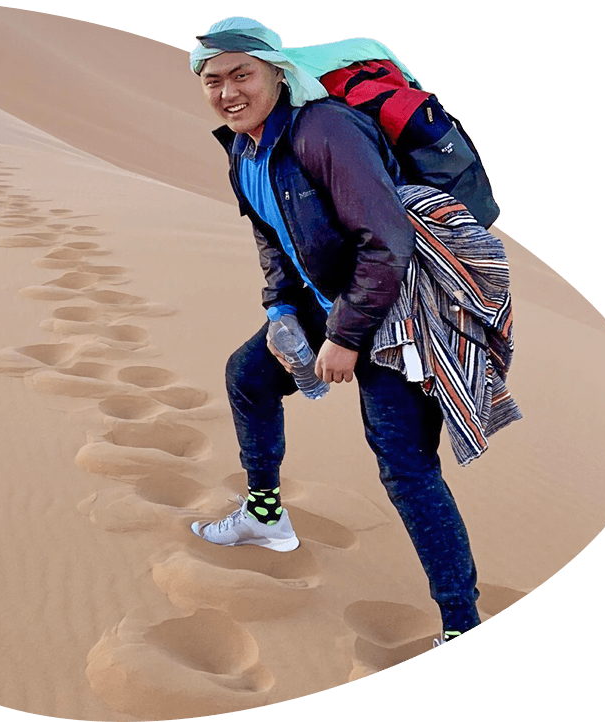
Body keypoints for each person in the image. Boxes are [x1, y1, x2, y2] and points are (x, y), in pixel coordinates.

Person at [187, 17, 501, 644]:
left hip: (401, 307)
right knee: (247, 377)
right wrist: (280, 313)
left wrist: (346, 337)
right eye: (213, 79)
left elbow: (388, 242)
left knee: (405, 467)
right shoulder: (244, 146)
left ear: (277, 71)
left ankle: (460, 624)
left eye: (242, 74)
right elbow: (271, 235)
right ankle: (266, 516)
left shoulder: (326, 128)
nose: (228, 91)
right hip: (332, 297)